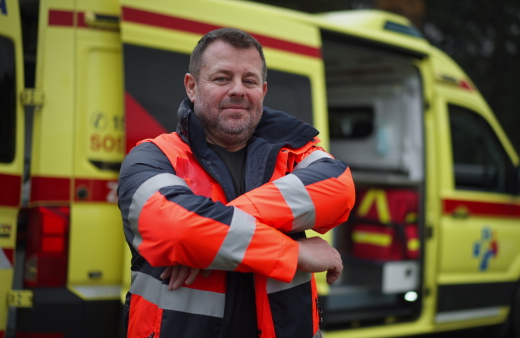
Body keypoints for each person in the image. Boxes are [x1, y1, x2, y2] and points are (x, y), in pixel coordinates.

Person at [118, 27, 355, 338]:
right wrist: (293, 252)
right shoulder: (151, 157)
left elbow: (340, 189)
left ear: (264, 90)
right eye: (222, 78)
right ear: (192, 87)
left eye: (250, 80)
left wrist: (203, 239)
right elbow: (177, 228)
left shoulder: (296, 152)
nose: (238, 90)